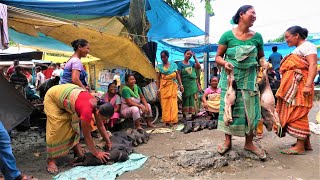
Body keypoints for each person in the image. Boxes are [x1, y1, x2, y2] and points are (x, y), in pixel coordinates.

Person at [215, 5, 269, 160]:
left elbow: (260, 57)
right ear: (241, 14)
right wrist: (224, 64)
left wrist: (264, 63)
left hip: (249, 79)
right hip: (230, 79)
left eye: (255, 13)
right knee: (229, 109)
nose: (255, 15)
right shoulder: (227, 35)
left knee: (250, 111)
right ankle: (227, 142)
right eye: (252, 12)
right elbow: (218, 56)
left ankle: (249, 143)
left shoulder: (257, 37)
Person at [43, 84, 114, 173]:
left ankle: (77, 151)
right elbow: (87, 135)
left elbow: (100, 125)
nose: (103, 121)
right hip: (53, 98)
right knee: (56, 129)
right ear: (98, 112)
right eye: (103, 118)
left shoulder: (98, 105)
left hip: (68, 97)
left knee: (74, 125)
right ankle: (51, 160)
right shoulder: (87, 111)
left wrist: (108, 142)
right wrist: (96, 153)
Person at [275, 26, 317, 155]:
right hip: (294, 86)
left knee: (298, 111)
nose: (286, 40)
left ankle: (300, 147)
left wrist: (308, 85)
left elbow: (313, 65)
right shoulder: (298, 49)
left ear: (296, 35)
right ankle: (306, 142)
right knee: (298, 111)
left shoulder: (308, 46)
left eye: (287, 37)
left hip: (301, 85)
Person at [156, 50, 184, 127]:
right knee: (165, 104)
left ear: (167, 56)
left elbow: (177, 76)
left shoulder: (174, 65)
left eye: (164, 57)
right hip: (164, 87)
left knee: (173, 103)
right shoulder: (159, 67)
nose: (162, 58)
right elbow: (158, 79)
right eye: (161, 57)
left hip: (172, 86)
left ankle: (174, 120)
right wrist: (158, 89)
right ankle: (167, 121)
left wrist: (181, 85)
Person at [177, 49, 201, 121]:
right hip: (185, 84)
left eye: (190, 54)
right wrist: (181, 85)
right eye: (188, 54)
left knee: (194, 99)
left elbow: (198, 67)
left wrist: (195, 58)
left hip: (193, 84)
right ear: (184, 54)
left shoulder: (192, 63)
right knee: (185, 99)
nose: (189, 56)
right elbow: (178, 75)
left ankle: (194, 115)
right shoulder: (180, 64)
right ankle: (184, 116)